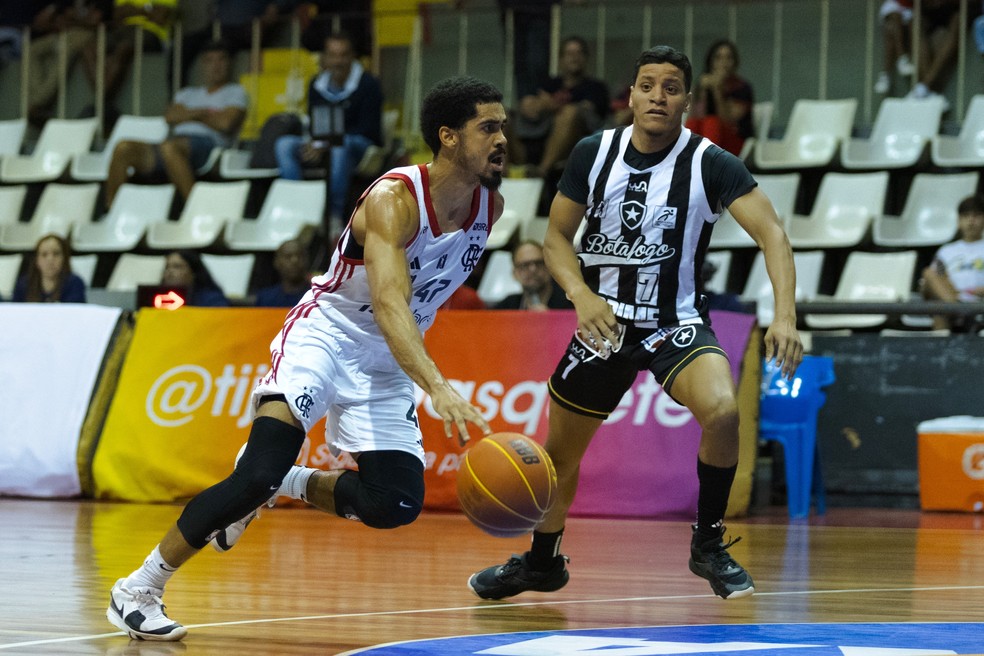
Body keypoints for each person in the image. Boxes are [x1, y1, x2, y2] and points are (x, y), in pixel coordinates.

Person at [106, 75, 506, 641]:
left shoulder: (491, 205)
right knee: (254, 473)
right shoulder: (395, 201)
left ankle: (286, 482)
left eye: (503, 127)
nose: (502, 139)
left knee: (394, 501)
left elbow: (416, 303)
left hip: (384, 361)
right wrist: (438, 387)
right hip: (327, 334)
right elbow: (391, 303)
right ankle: (139, 588)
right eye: (488, 127)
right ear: (447, 137)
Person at [468, 45, 802, 603]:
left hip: (678, 322)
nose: (658, 96)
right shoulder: (592, 153)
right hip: (606, 324)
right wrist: (579, 294)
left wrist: (785, 316)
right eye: (648, 85)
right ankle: (543, 563)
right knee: (558, 458)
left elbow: (773, 235)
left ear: (686, 101)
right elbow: (554, 239)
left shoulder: (711, 162)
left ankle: (708, 544)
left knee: (722, 411)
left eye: (671, 87)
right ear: (631, 94)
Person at [104, 39, 246, 207]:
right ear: (202, 65)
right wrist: (203, 113)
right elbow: (170, 117)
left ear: (228, 63)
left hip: (208, 145)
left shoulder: (235, 92)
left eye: (221, 59)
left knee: (169, 147)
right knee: (123, 148)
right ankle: (111, 211)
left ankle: (195, 207)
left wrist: (187, 114)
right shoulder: (187, 93)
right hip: (174, 144)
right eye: (210, 60)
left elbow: (225, 124)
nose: (216, 65)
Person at [273, 30, 383, 237]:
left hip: (360, 145)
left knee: (341, 144)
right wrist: (316, 142)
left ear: (352, 56)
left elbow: (368, 128)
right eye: (333, 55)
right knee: (284, 144)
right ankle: (298, 209)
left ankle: (333, 215)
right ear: (325, 57)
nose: (338, 61)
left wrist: (325, 142)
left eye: (343, 55)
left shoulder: (369, 84)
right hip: (324, 142)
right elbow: (314, 124)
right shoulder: (316, 84)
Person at [508, 36, 610, 180]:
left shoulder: (595, 87)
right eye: (569, 53)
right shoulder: (549, 84)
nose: (574, 58)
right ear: (561, 59)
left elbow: (587, 112)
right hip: (539, 136)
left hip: (576, 143)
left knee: (569, 113)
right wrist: (537, 104)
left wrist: (550, 104)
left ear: (586, 58)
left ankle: (541, 172)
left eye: (578, 53)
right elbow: (529, 107)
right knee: (503, 115)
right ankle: (506, 174)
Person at [25, 1, 106, 127]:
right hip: (64, 33)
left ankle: (36, 103)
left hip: (87, 34)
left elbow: (94, 23)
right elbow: (43, 22)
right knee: (32, 50)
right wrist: (71, 20)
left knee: (65, 50)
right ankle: (37, 102)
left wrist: (72, 20)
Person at [920, 194, 984, 331]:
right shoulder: (946, 251)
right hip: (952, 303)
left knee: (940, 310)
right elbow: (932, 283)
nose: (971, 221)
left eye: (976, 215)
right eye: (966, 216)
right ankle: (959, 310)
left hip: (979, 303)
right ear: (958, 221)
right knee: (929, 273)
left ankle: (960, 311)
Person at [684, 39, 753, 158]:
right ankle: (686, 161)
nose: (723, 63)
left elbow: (728, 119)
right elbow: (693, 117)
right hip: (711, 138)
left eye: (728, 58)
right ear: (711, 61)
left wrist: (717, 90)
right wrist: (701, 91)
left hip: (735, 141)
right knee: (694, 123)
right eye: (718, 58)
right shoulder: (706, 83)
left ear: (734, 62)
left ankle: (709, 165)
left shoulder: (741, 87)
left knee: (712, 122)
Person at [495, 239, 573, 310]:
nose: (533, 269)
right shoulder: (507, 306)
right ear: (515, 273)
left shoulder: (570, 303)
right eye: (525, 265)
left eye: (539, 263)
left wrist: (551, 319)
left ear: (549, 267)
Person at [12, 233, 87, 303]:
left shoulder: (74, 283)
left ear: (64, 258)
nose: (50, 259)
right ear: (37, 260)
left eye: (56, 254)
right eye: (44, 255)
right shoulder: (23, 284)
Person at [253, 238, 311, 307]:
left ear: (307, 260)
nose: (294, 261)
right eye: (288, 256)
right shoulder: (265, 299)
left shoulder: (318, 297)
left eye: (300, 256)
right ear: (277, 262)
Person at [161, 250, 230, 307]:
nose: (170, 272)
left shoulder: (213, 300)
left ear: (193, 272)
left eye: (177, 267)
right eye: (167, 267)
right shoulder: (158, 298)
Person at [875, 0, 916, 95]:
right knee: (894, 20)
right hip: (895, 4)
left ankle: (885, 74)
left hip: (912, 8)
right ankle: (902, 58)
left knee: (891, 29)